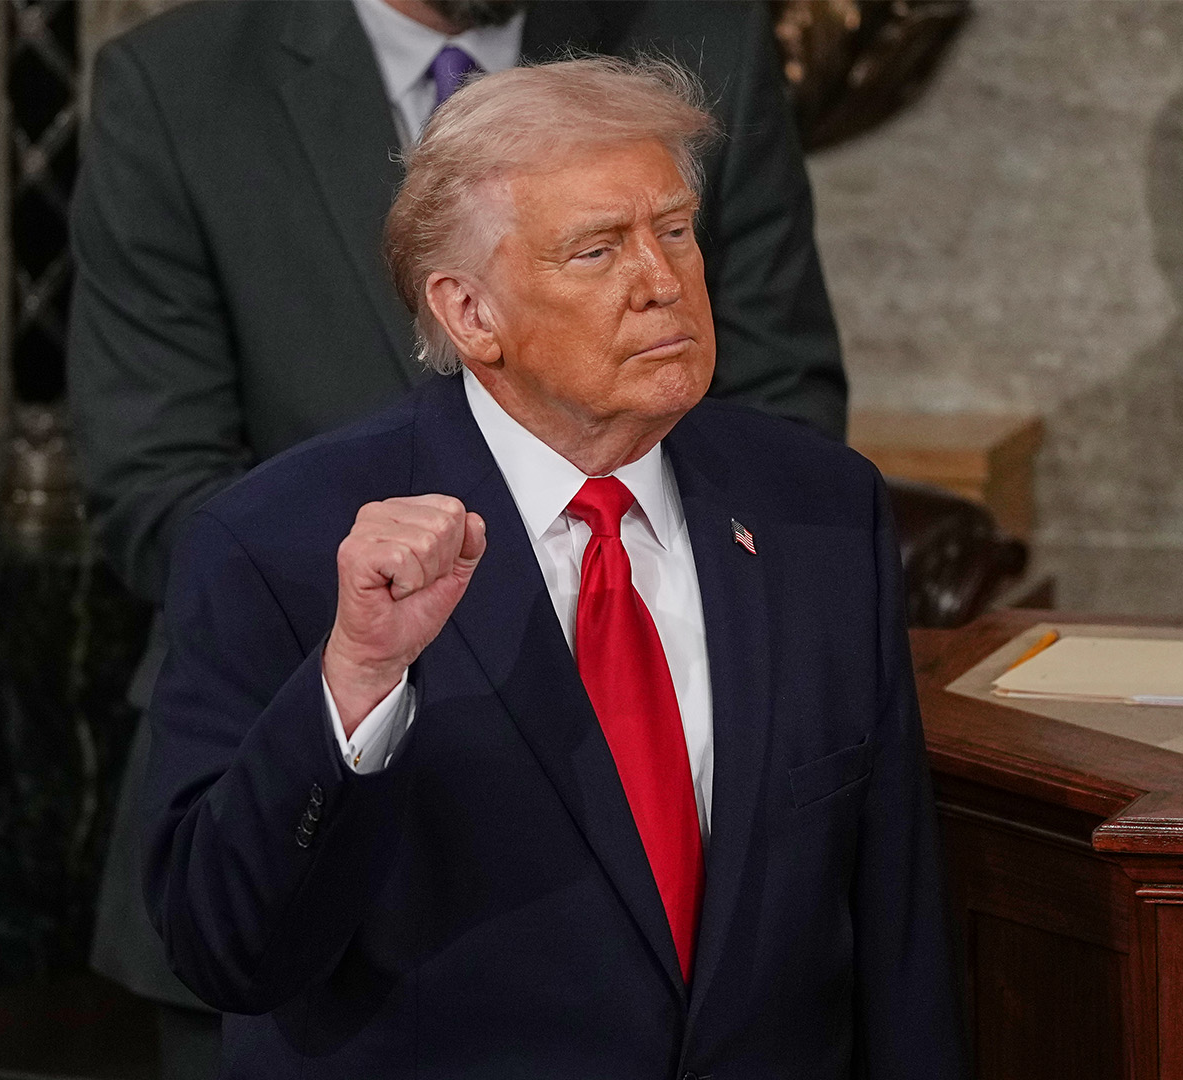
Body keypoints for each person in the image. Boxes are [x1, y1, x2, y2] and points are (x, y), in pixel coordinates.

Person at [140, 57, 960, 1077]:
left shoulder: (819, 510)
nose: (663, 281)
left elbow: (898, 926)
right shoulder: (280, 544)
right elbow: (226, 947)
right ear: (471, 313)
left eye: (672, 229)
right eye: (596, 250)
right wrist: (353, 681)